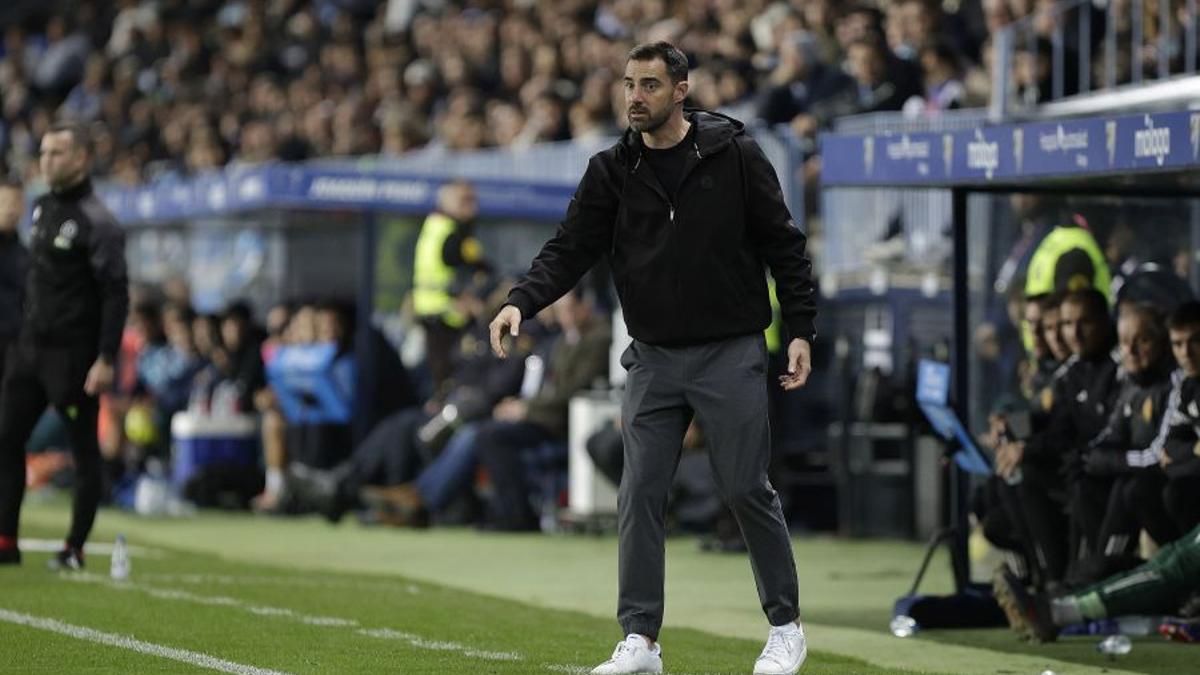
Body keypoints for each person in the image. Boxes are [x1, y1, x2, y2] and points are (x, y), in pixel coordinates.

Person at [489, 42, 817, 675]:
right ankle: (640, 640)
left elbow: (785, 245)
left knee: (745, 487)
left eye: (648, 85)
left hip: (729, 349)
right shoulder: (611, 171)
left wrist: (801, 328)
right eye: (628, 84)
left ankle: (786, 628)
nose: (634, 97)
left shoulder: (737, 156)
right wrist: (519, 303)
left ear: (680, 91)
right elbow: (568, 248)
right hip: (654, 357)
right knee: (638, 490)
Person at [0, 123, 129, 568]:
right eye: (43, 152)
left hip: (72, 357)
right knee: (6, 438)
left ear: (80, 159)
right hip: (29, 350)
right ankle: (5, 540)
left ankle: (75, 546)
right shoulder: (40, 209)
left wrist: (106, 357)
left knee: (83, 450)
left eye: (56, 153)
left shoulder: (98, 222)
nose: (46, 160)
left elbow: (116, 293)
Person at [412, 179, 486, 394]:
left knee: (440, 379)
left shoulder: (434, 226)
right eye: (465, 201)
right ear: (448, 202)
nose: (472, 209)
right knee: (453, 381)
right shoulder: (453, 233)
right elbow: (469, 270)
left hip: (431, 313)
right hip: (449, 316)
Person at [0, 179, 29, 392]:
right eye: (3, 202)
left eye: (14, 203)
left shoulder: (27, 257)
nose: (9, 209)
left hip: (14, 350)